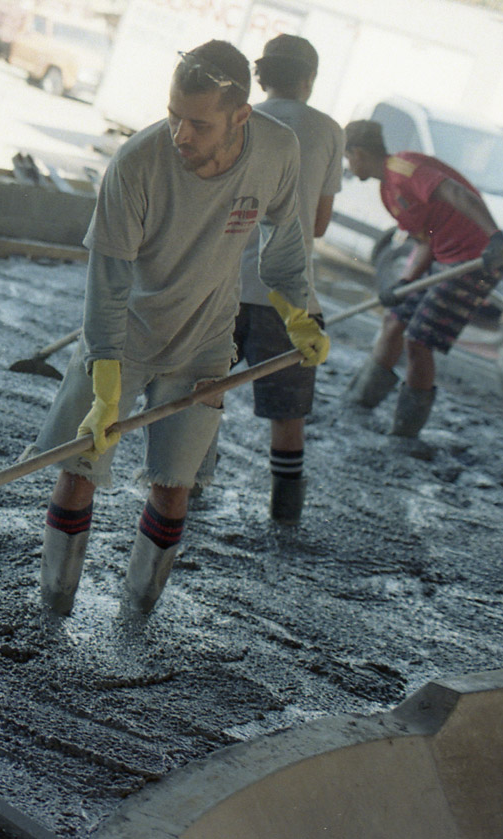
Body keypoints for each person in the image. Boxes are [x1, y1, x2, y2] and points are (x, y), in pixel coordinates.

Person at [30, 40, 328, 616]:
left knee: (175, 484)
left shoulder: (276, 150)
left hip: (206, 342)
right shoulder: (137, 163)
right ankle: (53, 608)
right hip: (121, 337)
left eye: (197, 122)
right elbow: (108, 282)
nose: (180, 135)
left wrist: (300, 315)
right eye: (172, 115)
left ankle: (138, 614)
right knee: (78, 466)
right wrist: (106, 385)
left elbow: (286, 244)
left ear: (241, 115)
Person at [197, 34, 344, 525]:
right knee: (289, 414)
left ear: (259, 77)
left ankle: (184, 491)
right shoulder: (328, 130)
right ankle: (284, 519)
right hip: (290, 297)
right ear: (309, 79)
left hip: (222, 283)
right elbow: (318, 226)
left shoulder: (239, 120)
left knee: (203, 391)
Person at [342, 120, 503, 437]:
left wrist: (495, 237)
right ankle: (358, 402)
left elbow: (455, 193)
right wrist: (404, 283)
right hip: (444, 258)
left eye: (347, 158)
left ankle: (405, 433)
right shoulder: (388, 192)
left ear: (358, 153)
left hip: (477, 260)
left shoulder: (403, 167)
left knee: (419, 341)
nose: (348, 166)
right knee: (394, 322)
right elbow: (425, 242)